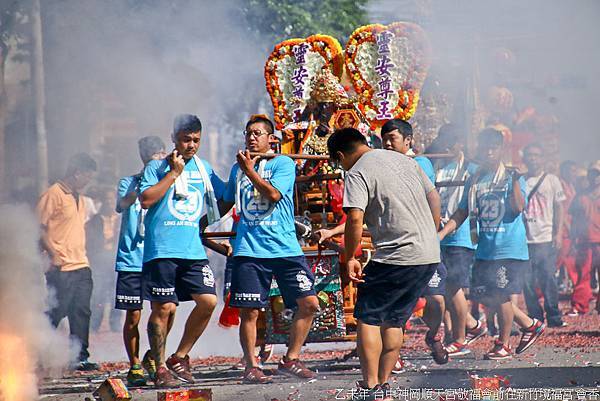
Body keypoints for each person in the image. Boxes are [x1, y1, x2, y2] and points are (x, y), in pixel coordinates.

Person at [327, 127, 441, 396]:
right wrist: (430, 234)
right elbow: (434, 197)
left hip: (395, 256)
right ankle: (384, 385)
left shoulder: (357, 172)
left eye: (338, 162)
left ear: (341, 155)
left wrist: (352, 256)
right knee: (394, 320)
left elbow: (355, 219)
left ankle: (371, 385)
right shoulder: (404, 160)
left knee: (368, 317)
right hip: (427, 255)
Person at [221, 114, 319, 383]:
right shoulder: (236, 169)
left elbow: (273, 195)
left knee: (309, 303)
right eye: (248, 133)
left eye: (257, 133)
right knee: (249, 311)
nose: (251, 138)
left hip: (285, 248)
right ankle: (251, 366)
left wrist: (250, 170)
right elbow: (224, 203)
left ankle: (291, 359)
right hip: (249, 250)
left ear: (270, 139)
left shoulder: (283, 163)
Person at [439, 128, 545, 360]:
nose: (488, 152)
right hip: (485, 249)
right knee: (484, 295)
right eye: (484, 147)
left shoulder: (512, 176)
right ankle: (529, 324)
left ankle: (503, 344)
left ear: (501, 150)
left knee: (502, 295)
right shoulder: (475, 179)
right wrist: (442, 233)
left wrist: (515, 181)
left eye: (493, 147)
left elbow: (518, 207)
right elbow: (462, 211)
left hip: (508, 249)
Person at [140, 114, 225, 387]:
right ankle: (160, 366)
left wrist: (246, 171)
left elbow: (225, 196)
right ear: (174, 138)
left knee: (209, 301)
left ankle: (180, 356)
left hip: (193, 252)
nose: (191, 145)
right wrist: (174, 174)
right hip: (162, 251)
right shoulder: (156, 167)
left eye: (196, 140)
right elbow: (146, 200)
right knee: (164, 308)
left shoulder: (204, 169)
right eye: (186, 139)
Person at [380, 119, 448, 365]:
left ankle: (432, 335)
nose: (387, 143)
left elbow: (433, 199)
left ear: (408, 141)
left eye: (393, 138)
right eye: (384, 139)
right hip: (396, 247)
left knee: (437, 299)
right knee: (399, 304)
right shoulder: (381, 166)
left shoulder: (420, 164)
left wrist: (431, 233)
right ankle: (392, 354)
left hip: (424, 247)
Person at [37, 152, 99, 370]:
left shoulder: (79, 198)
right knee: (57, 310)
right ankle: (41, 353)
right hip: (61, 266)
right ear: (77, 172)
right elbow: (39, 227)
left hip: (81, 264)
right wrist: (53, 253)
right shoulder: (53, 194)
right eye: (87, 176)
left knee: (81, 311)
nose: (88, 182)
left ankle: (79, 356)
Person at [114, 136, 166, 386]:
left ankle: (153, 356)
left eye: (156, 154)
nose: (151, 159)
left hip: (158, 256)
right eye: (147, 154)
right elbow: (123, 204)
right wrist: (140, 185)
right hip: (131, 259)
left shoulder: (167, 183)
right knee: (133, 315)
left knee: (167, 308)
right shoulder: (128, 182)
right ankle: (135, 364)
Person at [433, 124, 486, 357]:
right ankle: (469, 327)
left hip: (461, 236)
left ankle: (461, 337)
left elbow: (469, 206)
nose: (446, 146)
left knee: (453, 287)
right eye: (443, 141)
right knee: (443, 288)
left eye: (450, 141)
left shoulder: (472, 169)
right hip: (440, 237)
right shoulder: (440, 168)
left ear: (460, 144)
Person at [521, 143, 567, 327]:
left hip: (545, 237)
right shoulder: (521, 180)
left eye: (536, 155)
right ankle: (535, 316)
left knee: (548, 278)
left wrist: (559, 233)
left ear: (542, 158)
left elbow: (559, 208)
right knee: (527, 281)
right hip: (524, 239)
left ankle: (554, 316)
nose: (533, 158)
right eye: (529, 155)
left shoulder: (552, 180)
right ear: (525, 158)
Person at [88, 185, 122, 333]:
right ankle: (94, 325)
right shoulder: (95, 220)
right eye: (106, 199)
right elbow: (90, 241)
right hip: (100, 261)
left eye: (112, 199)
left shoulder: (122, 219)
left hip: (116, 260)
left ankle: (115, 325)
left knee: (116, 293)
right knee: (99, 294)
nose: (109, 202)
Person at [568, 160, 600, 316]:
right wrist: (573, 238)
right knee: (583, 274)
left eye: (598, 174)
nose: (595, 177)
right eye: (593, 173)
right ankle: (580, 305)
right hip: (584, 241)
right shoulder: (580, 196)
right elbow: (574, 218)